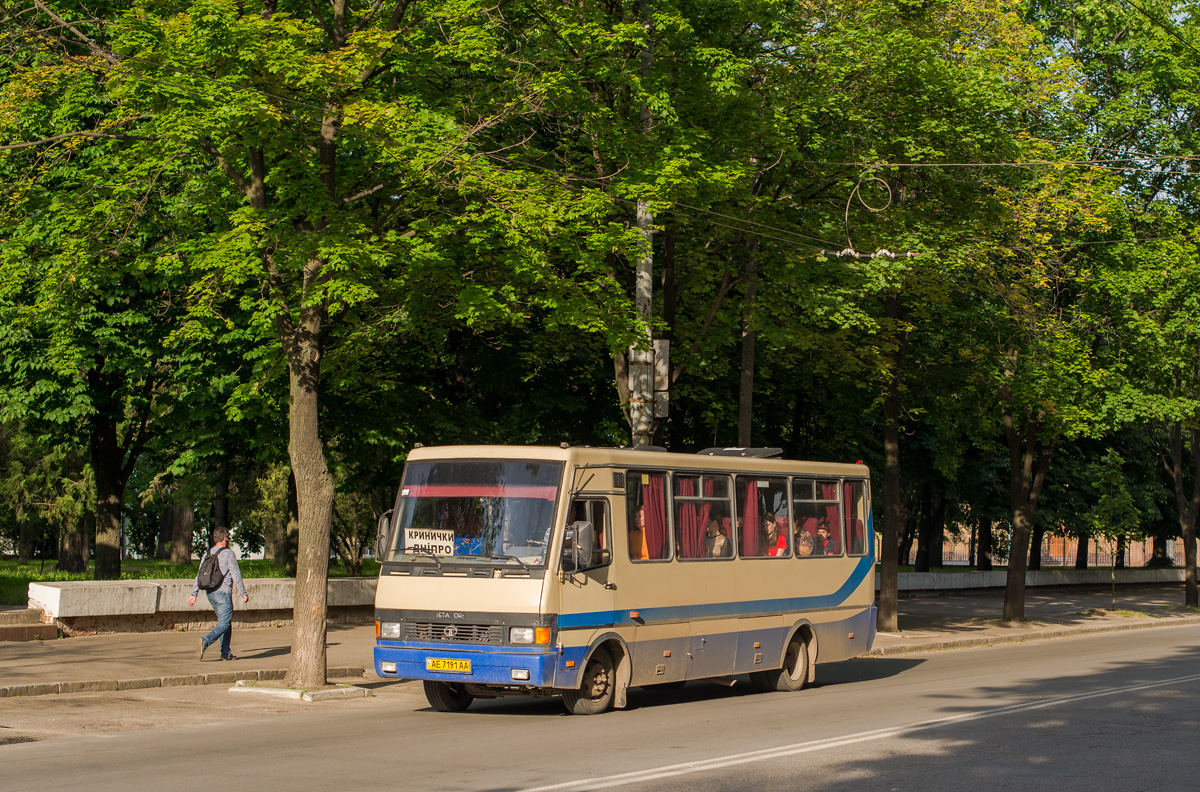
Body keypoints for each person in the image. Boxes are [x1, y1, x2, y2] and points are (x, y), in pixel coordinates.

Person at [188, 527, 249, 661]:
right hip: (223, 594)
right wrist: (243, 593)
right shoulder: (228, 554)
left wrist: (194, 593)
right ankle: (206, 641)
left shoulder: (208, 553)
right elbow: (236, 575)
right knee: (225, 624)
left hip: (210, 593)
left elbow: (200, 574)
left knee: (225, 623)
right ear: (224, 539)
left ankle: (225, 653)